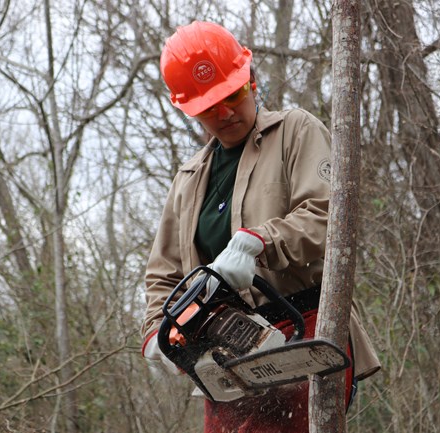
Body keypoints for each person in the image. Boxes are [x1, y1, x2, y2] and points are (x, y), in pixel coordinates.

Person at [141, 20, 380, 432]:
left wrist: (258, 242)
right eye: (209, 107)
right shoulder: (188, 180)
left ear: (250, 80)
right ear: (189, 109)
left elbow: (329, 215)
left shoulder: (295, 131)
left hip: (301, 326)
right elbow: (163, 276)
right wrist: (156, 336)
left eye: (231, 95)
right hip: (221, 354)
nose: (225, 112)